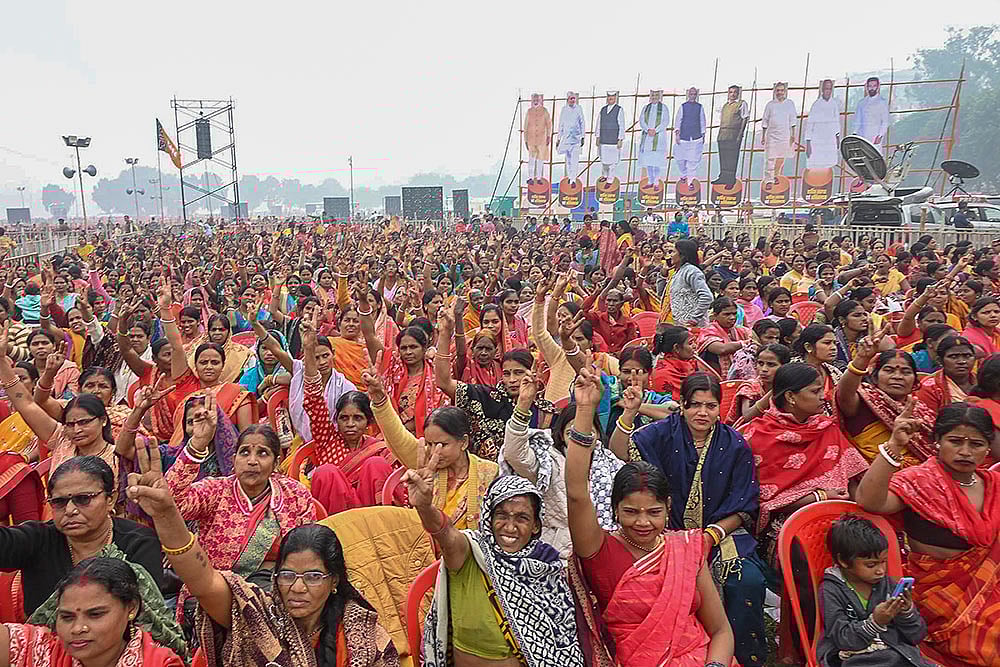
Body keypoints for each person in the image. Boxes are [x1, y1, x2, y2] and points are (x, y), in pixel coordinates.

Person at [125, 442, 399, 667]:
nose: (298, 588)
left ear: (335, 580)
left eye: (314, 576)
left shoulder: (361, 632)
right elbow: (203, 581)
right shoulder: (256, 614)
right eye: (288, 575)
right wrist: (167, 516)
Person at [565, 360, 736, 667]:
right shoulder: (599, 549)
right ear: (615, 510)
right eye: (630, 512)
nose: (643, 522)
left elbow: (721, 630)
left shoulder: (684, 549)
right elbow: (577, 493)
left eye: (654, 512)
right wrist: (584, 410)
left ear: (668, 509)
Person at [617, 373, 766, 666]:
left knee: (745, 580)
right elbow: (619, 452)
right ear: (682, 405)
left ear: (719, 409)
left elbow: (743, 506)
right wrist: (629, 414)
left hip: (720, 532)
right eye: (695, 405)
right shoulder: (660, 434)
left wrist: (711, 535)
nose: (702, 413)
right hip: (664, 533)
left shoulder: (734, 444)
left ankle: (740, 657)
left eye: (711, 406)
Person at [406, 448, 584, 667]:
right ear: (488, 518)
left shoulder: (547, 567)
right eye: (501, 516)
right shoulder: (471, 552)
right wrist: (424, 507)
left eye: (522, 518)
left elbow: (560, 645)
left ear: (536, 525)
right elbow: (445, 533)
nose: (510, 527)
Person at [857, 402, 1000, 666]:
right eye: (955, 441)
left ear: (988, 448)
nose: (965, 452)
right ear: (937, 441)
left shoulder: (994, 485)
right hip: (938, 599)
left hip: (991, 587)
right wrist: (894, 445)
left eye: (976, 445)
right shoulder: (920, 481)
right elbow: (870, 501)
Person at [0, 456, 165, 618]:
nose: (70, 510)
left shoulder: (139, 543)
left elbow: (146, 616)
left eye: (83, 499)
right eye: (59, 502)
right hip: (45, 644)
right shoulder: (38, 538)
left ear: (110, 499)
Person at [741, 363, 869, 567]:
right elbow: (762, 502)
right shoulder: (757, 436)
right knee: (804, 550)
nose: (823, 396)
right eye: (815, 391)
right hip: (786, 525)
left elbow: (854, 479)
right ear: (791, 397)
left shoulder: (826, 428)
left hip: (840, 516)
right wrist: (820, 497)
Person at [367, 370, 497, 530]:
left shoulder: (490, 473)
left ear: (463, 442)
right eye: (429, 444)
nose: (435, 451)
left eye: (442, 444)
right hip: (427, 547)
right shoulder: (425, 461)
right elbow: (398, 436)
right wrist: (380, 400)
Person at [0, 557, 184, 667]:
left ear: (131, 608)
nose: (78, 628)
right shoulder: (42, 651)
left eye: (95, 614)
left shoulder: (159, 663)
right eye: (67, 617)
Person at [300, 319, 396, 512]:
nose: (350, 424)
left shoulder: (377, 449)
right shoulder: (327, 439)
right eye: (344, 418)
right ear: (336, 420)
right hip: (337, 518)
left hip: (372, 518)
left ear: (368, 422)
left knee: (376, 465)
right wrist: (309, 349)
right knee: (327, 472)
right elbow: (314, 399)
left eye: (357, 418)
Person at [435, 307, 556, 459]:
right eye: (506, 374)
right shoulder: (490, 397)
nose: (512, 380)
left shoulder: (546, 412)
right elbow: (443, 382)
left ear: (533, 372)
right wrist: (445, 334)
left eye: (518, 373)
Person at [816, 515, 933, 667]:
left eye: (883, 562)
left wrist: (906, 613)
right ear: (843, 561)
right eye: (871, 565)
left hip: (894, 652)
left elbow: (916, 636)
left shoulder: (886, 585)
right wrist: (875, 622)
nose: (881, 571)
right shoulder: (831, 590)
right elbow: (843, 639)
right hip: (853, 658)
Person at [837, 341, 937, 466]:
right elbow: (844, 394)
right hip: (873, 478)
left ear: (915, 381)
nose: (897, 376)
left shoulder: (922, 410)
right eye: (889, 370)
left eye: (906, 372)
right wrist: (861, 360)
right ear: (875, 377)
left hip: (925, 478)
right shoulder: (865, 401)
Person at [729, 343, 791, 425]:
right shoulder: (751, 386)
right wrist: (775, 391)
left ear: (785, 366)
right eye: (760, 363)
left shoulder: (791, 387)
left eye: (771, 364)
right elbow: (747, 416)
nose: (764, 369)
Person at [186, 314, 254, 385]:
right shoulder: (197, 349)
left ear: (228, 332)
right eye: (214, 330)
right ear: (208, 332)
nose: (217, 333)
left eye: (221, 330)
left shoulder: (241, 352)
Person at [915, 335, 976, 412]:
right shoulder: (929, 388)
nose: (962, 361)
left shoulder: (983, 382)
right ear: (939, 361)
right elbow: (929, 420)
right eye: (953, 357)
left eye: (967, 356)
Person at [696, 297, 752, 378]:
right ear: (715, 315)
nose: (732, 317)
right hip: (713, 378)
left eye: (734, 313)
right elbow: (722, 349)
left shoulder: (740, 331)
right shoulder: (708, 331)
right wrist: (746, 343)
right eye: (727, 314)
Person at [670, 239, 714, 327]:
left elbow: (707, 297)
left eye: (673, 252)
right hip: (681, 326)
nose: (670, 255)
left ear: (682, 255)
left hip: (694, 328)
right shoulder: (678, 272)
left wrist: (694, 319)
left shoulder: (692, 271)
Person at [761, 82, 797, 183]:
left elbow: (793, 119)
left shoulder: (790, 103)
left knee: (782, 155)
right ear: (775, 92)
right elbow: (765, 120)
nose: (780, 92)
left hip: (785, 134)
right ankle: (768, 180)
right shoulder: (770, 105)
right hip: (772, 134)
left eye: (781, 90)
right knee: (770, 157)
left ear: (785, 91)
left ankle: (776, 175)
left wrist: (793, 135)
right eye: (778, 90)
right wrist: (763, 136)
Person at [650, 325, 698, 400]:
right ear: (676, 348)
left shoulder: (689, 364)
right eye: (690, 343)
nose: (695, 346)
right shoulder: (662, 374)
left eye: (694, 342)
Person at [714, 85, 749, 186]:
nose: (733, 94)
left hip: (734, 133)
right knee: (723, 156)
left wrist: (740, 134)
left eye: (735, 92)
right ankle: (723, 177)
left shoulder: (741, 104)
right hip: (723, 134)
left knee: (732, 157)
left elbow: (744, 118)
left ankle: (730, 179)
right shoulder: (725, 105)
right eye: (731, 92)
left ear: (738, 93)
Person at [804, 79, 841, 169]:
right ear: (822, 90)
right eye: (826, 88)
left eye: (829, 89)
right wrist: (808, 144)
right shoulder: (816, 105)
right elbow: (810, 125)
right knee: (816, 165)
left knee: (829, 165)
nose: (827, 91)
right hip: (817, 141)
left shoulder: (834, 104)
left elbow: (836, 122)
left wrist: (837, 138)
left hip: (830, 140)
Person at [674, 87, 707, 184]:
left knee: (693, 161)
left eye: (694, 94)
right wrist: (677, 134)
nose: (693, 96)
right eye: (691, 94)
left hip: (696, 137)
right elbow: (678, 121)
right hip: (684, 136)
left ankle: (690, 181)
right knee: (680, 159)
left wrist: (703, 134)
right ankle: (684, 174)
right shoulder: (683, 106)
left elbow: (702, 121)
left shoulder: (699, 107)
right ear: (688, 95)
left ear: (696, 95)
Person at [639, 89, 670, 184]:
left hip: (658, 137)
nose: (654, 97)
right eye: (652, 95)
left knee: (656, 161)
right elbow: (642, 120)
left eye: (656, 96)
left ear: (659, 96)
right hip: (647, 136)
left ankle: (656, 181)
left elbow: (666, 121)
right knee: (649, 161)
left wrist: (655, 130)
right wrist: (647, 129)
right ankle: (650, 181)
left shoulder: (664, 107)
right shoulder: (645, 108)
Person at [853, 77, 890, 154]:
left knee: (875, 156)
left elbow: (885, 121)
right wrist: (855, 133)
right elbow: (857, 120)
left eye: (874, 86)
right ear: (867, 87)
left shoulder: (882, 102)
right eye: (870, 86)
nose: (872, 88)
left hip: (875, 136)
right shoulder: (861, 103)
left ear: (878, 87)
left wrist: (880, 136)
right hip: (862, 135)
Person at [595, 90, 625, 182]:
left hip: (613, 139)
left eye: (612, 96)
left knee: (612, 161)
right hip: (604, 139)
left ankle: (610, 179)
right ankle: (604, 175)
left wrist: (620, 139)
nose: (610, 98)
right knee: (604, 160)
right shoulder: (603, 109)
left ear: (615, 98)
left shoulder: (619, 109)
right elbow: (598, 123)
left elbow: (622, 125)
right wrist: (597, 136)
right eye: (609, 96)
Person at [557, 92, 586, 183]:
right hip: (566, 139)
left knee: (575, 160)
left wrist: (582, 136)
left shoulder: (579, 109)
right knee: (568, 159)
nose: (573, 100)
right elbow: (561, 124)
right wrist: (558, 138)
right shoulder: (564, 109)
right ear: (567, 100)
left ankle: (573, 179)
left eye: (574, 98)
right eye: (571, 99)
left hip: (576, 139)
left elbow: (582, 123)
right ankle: (570, 177)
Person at [524, 93, 552, 185]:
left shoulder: (544, 111)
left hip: (542, 139)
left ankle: (539, 178)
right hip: (531, 139)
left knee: (540, 159)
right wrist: (526, 140)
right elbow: (526, 126)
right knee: (531, 159)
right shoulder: (529, 111)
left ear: (540, 101)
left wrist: (548, 136)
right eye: (534, 100)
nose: (535, 101)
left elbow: (549, 125)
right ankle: (530, 178)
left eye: (537, 100)